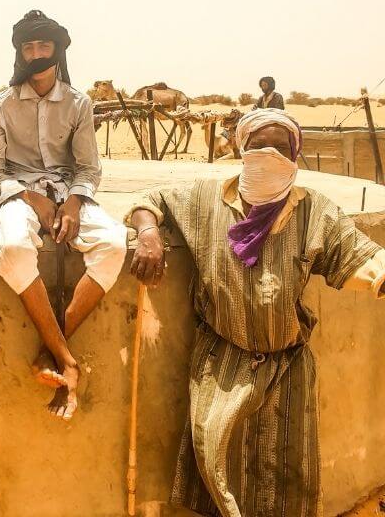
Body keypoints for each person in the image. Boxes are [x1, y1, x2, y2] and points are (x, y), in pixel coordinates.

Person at [127, 108, 385, 516]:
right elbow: (149, 200)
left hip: (287, 367)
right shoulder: (205, 200)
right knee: (212, 455)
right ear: (241, 147)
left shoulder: (313, 211)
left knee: (287, 473)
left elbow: (361, 259)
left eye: (280, 148)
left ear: (295, 155)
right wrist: (148, 233)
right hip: (222, 361)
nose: (269, 154)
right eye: (259, 145)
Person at [0, 10, 127, 421]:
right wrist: (31, 198)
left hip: (68, 194)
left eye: (44, 45)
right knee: (9, 246)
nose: (37, 53)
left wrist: (75, 202)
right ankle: (68, 359)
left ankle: (50, 349)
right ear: (20, 54)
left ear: (58, 51)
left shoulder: (78, 104)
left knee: (114, 244)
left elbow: (88, 167)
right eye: (29, 47)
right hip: (19, 196)